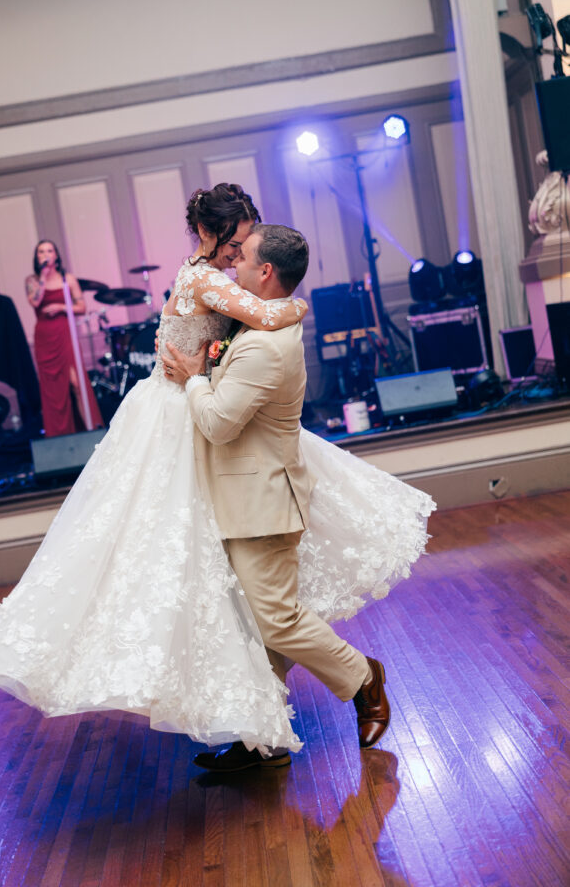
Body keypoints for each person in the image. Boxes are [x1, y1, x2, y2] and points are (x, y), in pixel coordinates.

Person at [0, 186, 308, 754]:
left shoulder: (199, 272)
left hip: (185, 405)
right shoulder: (203, 278)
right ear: (211, 233)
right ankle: (236, 706)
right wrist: (300, 305)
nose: (240, 251)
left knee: (206, 559)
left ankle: (250, 708)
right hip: (178, 414)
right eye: (237, 239)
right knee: (178, 551)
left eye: (246, 242)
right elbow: (268, 313)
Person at [163, 224, 433, 771]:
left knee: (277, 621)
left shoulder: (264, 348)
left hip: (260, 502)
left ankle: (362, 677)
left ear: (266, 272)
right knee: (254, 624)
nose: (232, 265)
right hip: (245, 496)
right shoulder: (257, 326)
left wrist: (194, 378)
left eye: (243, 259)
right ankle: (262, 738)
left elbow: (217, 423)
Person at [26, 240, 101, 437]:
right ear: (37, 257)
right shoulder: (32, 280)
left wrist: (60, 308)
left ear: (56, 255)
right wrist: (43, 276)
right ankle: (59, 436)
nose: (46, 254)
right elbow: (34, 301)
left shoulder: (68, 279)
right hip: (44, 336)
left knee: (76, 383)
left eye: (49, 250)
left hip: (64, 333)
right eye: (41, 252)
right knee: (53, 390)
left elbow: (81, 307)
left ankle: (90, 430)